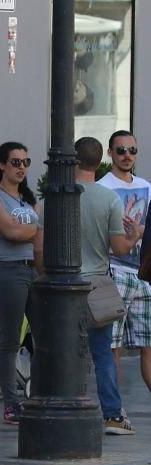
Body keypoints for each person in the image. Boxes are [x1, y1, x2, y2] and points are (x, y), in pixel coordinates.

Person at [72, 137, 139, 435]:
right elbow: (120, 249)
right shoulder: (108, 198)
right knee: (102, 353)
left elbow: (39, 248)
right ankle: (113, 415)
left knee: (57, 350)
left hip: (62, 285)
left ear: (72, 160)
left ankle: (64, 404)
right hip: (98, 282)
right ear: (101, 162)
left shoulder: (55, 197)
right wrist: (135, 233)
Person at [0, 141, 41, 425]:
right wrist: (39, 229)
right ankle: (11, 404)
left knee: (42, 338)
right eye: (16, 162)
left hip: (34, 269)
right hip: (9, 271)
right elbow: (11, 232)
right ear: (2, 165)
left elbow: (30, 235)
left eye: (26, 162)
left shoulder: (27, 200)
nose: (22, 167)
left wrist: (30, 231)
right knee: (11, 341)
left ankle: (39, 395)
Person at [98, 130, 151, 394]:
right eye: (121, 150)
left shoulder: (146, 186)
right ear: (110, 153)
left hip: (143, 272)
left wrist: (139, 232)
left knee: (148, 343)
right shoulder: (103, 187)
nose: (127, 155)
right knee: (112, 344)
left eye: (132, 150)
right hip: (113, 271)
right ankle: (115, 409)